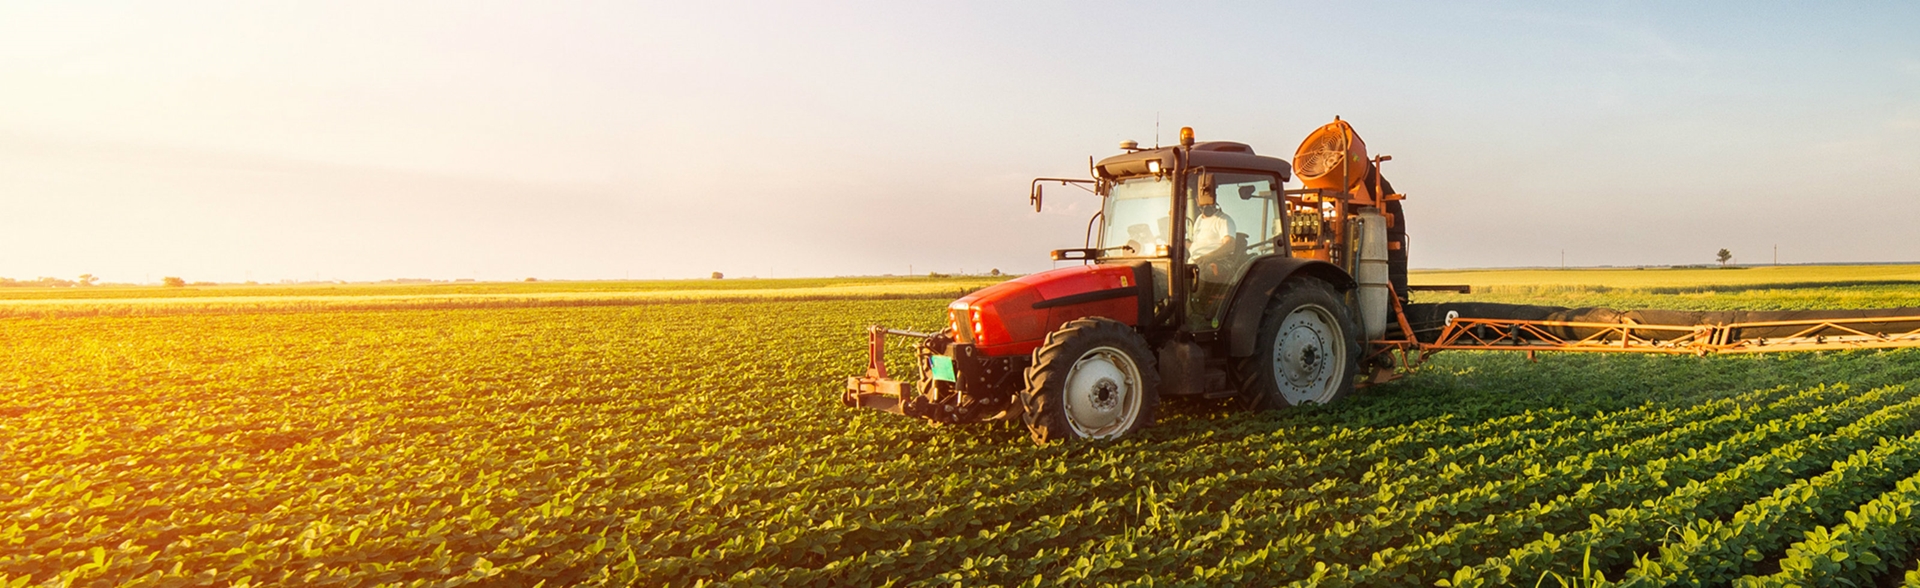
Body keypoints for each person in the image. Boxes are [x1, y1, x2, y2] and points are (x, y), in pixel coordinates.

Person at [1188, 187, 1237, 260]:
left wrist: (1207, 258)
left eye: (1209, 198)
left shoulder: (1223, 220)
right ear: (1197, 200)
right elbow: (1199, 244)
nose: (1206, 203)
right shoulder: (1199, 219)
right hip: (1194, 262)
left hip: (1212, 263)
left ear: (1215, 198)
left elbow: (1229, 246)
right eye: (1203, 199)